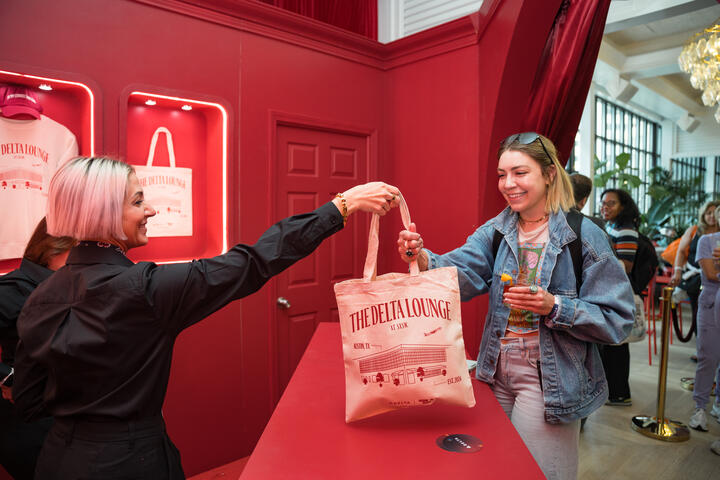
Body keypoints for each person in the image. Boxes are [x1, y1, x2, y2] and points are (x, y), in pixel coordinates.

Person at [12, 156, 400, 479]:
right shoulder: (146, 290)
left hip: (58, 459)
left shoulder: (39, 295)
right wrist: (341, 206)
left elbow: (29, 401)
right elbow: (253, 262)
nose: (151, 209)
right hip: (131, 461)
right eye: (137, 201)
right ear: (106, 213)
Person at [396, 133, 634, 480]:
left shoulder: (583, 235)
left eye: (520, 173)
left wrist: (555, 306)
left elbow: (617, 319)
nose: (508, 184)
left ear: (549, 174)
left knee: (539, 473)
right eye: (501, 174)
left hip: (547, 380)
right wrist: (420, 256)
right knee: (495, 469)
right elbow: (458, 273)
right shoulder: (497, 229)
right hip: (494, 372)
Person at [0, 218, 74, 480]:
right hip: (31, 428)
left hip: (70, 422)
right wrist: (7, 376)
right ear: (54, 246)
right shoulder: (14, 289)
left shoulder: (76, 285)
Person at [599, 188, 640, 407]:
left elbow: (626, 264)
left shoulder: (626, 230)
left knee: (618, 345)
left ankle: (620, 393)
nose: (605, 207)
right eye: (603, 203)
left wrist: (596, 262)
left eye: (611, 204)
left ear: (622, 206)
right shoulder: (612, 226)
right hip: (609, 290)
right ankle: (613, 390)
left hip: (618, 292)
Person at [687, 206, 720, 432]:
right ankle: (700, 407)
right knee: (708, 356)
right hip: (710, 303)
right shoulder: (707, 241)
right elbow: (710, 274)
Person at [668, 200, 720, 331]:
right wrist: (678, 272)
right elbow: (680, 251)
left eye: (715, 213)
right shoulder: (694, 231)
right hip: (696, 278)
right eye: (709, 213)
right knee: (698, 311)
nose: (712, 216)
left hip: (716, 279)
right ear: (703, 214)